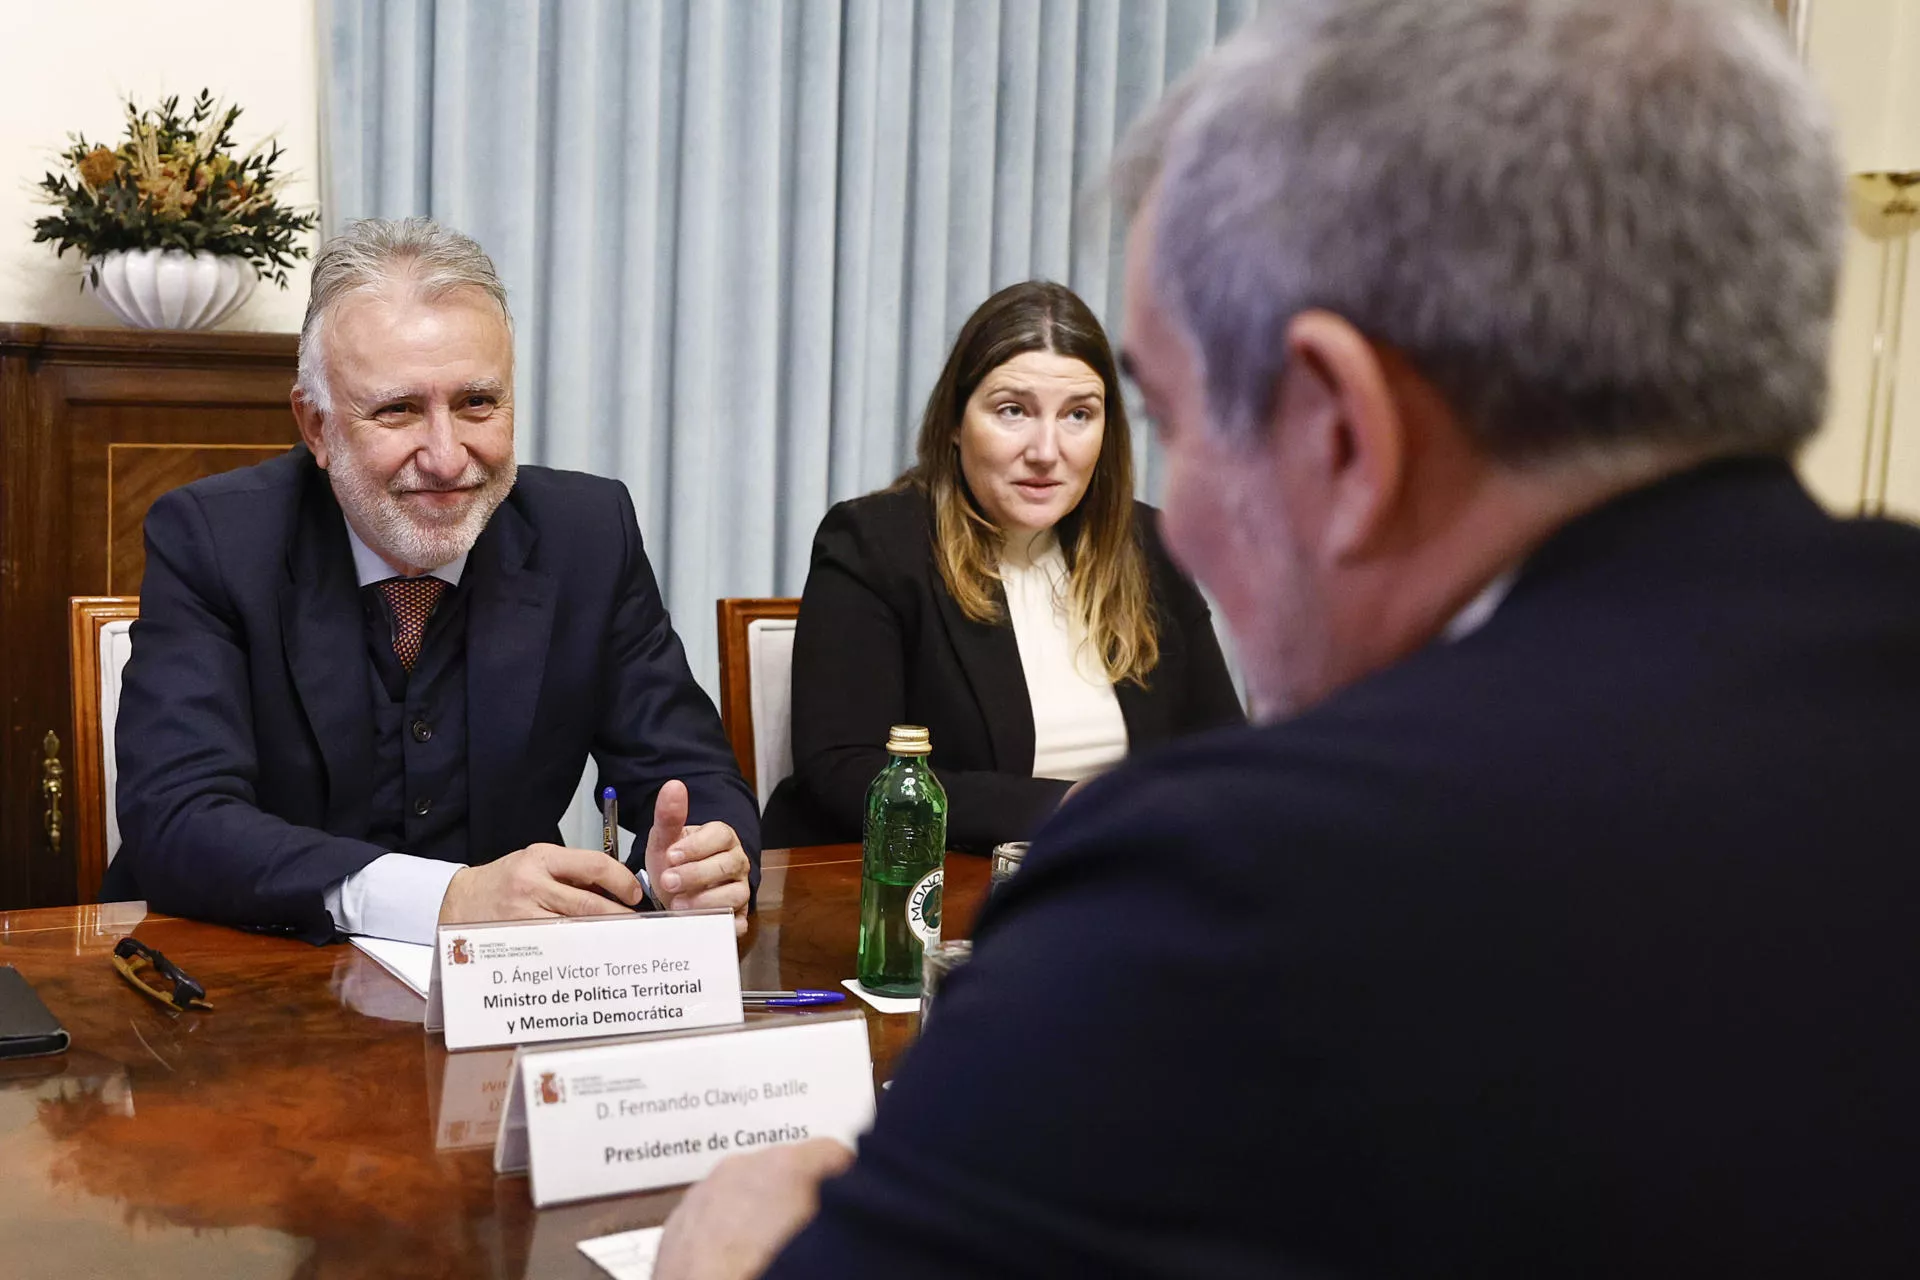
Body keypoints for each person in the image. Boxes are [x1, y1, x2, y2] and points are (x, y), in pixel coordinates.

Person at [656, 1, 1920, 1275]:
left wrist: (721, 1258)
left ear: (1340, 431)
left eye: (1173, 419)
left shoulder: (1216, 907)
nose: (1174, 515)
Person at [106, 217, 758, 946]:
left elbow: (691, 772)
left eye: (478, 403)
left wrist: (704, 863)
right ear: (316, 427)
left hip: (513, 992)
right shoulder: (215, 539)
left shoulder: (587, 532)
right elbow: (178, 818)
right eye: (399, 410)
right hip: (245, 978)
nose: (447, 458)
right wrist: (443, 897)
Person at [761, 281, 1242, 852]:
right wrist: (1068, 807)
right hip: (926, 893)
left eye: (1078, 415)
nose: (1045, 449)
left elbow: (1223, 754)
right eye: (1013, 411)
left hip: (1121, 887)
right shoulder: (875, 544)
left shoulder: (1152, 548)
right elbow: (844, 772)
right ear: (954, 424)